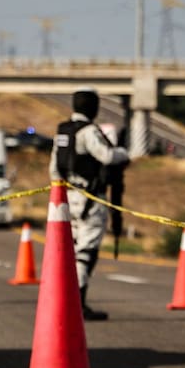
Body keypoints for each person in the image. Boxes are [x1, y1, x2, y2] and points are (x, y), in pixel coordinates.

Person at [49, 88, 130, 321]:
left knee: (72, 250)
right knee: (86, 252)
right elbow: (105, 156)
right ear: (93, 109)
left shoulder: (62, 131)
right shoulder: (88, 132)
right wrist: (123, 154)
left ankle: (65, 300)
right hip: (89, 198)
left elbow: (54, 168)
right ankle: (78, 303)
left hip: (66, 197)